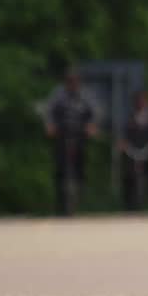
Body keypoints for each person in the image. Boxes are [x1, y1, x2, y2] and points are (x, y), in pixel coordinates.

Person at [41, 69, 102, 216]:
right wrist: (50, 125)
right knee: (60, 166)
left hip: (80, 134)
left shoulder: (85, 95)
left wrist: (92, 126)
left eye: (75, 81)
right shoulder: (58, 94)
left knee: (81, 163)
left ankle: (79, 189)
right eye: (69, 81)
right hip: (62, 134)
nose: (72, 84)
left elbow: (96, 112)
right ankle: (61, 200)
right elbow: (48, 110)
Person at [119, 90, 148, 211]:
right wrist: (122, 142)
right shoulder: (129, 115)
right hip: (132, 148)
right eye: (138, 101)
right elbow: (123, 131)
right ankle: (127, 199)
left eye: (143, 100)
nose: (140, 103)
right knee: (127, 171)